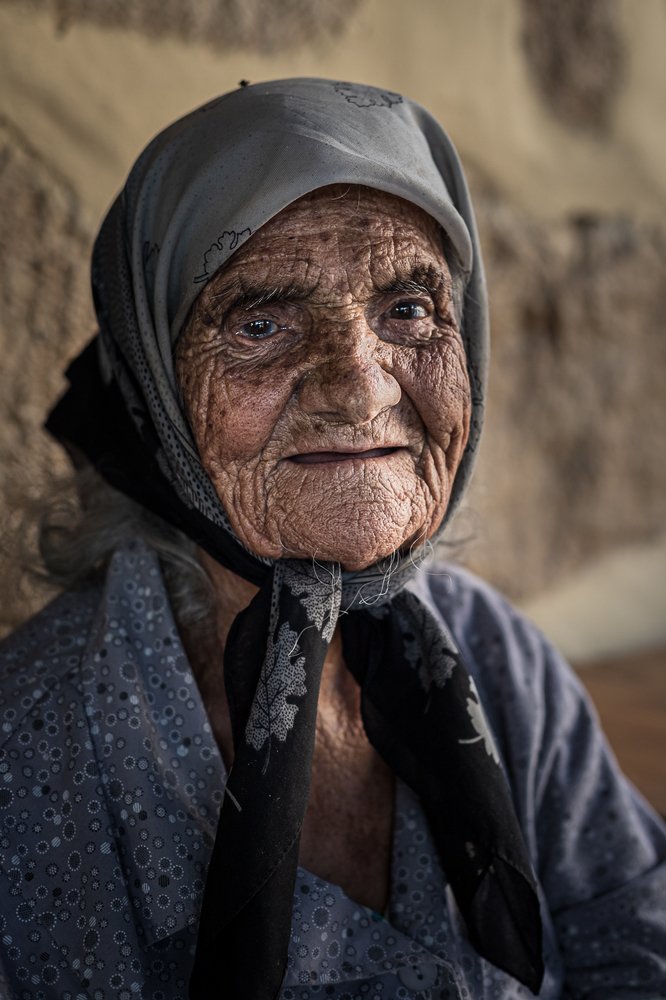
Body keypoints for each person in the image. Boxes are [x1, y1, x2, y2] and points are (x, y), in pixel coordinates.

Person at [0, 78, 664, 1000]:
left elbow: (635, 944)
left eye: (408, 310)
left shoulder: (496, 658)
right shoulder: (34, 751)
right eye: (261, 322)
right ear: (154, 384)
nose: (358, 387)